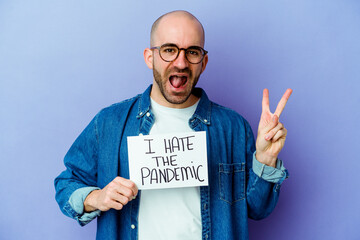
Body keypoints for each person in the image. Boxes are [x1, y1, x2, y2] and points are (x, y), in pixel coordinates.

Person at [55, 10, 292, 240]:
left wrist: (265, 158)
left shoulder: (233, 127)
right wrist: (96, 197)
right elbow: (66, 184)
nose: (181, 62)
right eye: (169, 50)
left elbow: (257, 209)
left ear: (203, 61)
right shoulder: (109, 123)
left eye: (192, 52)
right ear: (150, 57)